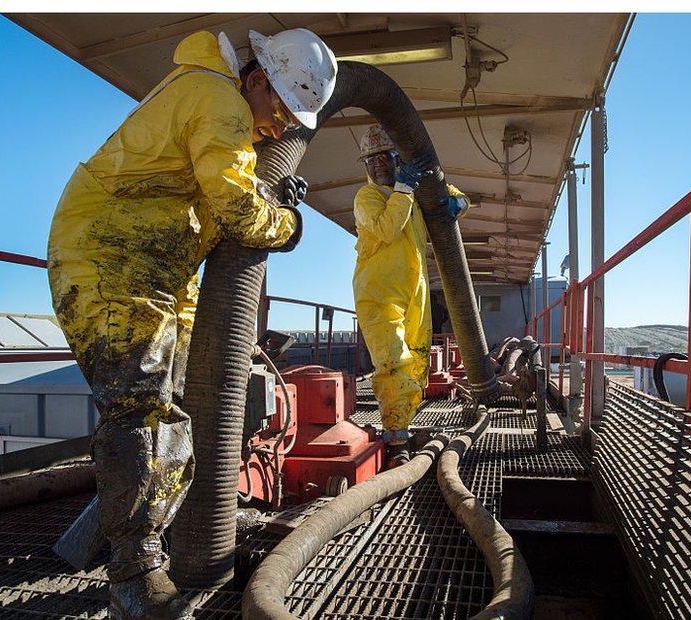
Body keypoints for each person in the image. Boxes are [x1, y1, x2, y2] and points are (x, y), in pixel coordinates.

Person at [47, 29, 336, 619]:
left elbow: (217, 191)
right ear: (256, 80)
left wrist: (270, 188)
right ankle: (134, 575)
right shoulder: (217, 99)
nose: (281, 130)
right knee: (143, 415)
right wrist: (290, 225)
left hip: (157, 267)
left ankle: (124, 540)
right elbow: (235, 210)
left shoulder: (220, 106)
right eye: (281, 111)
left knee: (168, 407)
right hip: (113, 259)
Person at [351, 125, 469, 469]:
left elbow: (460, 196)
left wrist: (455, 203)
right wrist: (405, 187)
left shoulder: (412, 194)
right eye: (371, 160)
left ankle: (403, 421)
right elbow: (387, 228)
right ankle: (395, 438)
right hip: (378, 296)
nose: (378, 166)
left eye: (384, 157)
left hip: (414, 293)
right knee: (393, 363)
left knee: (416, 363)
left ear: (397, 158)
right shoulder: (367, 197)